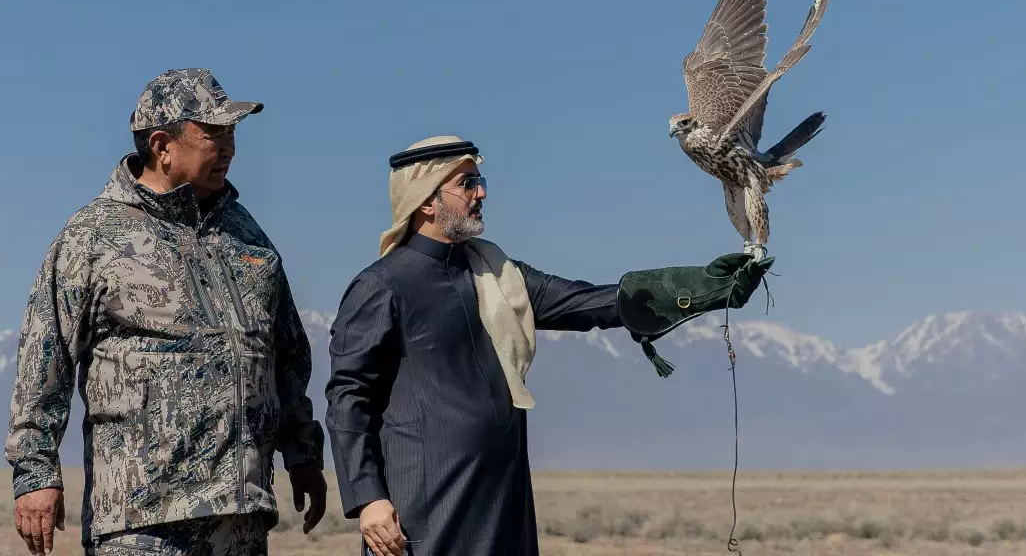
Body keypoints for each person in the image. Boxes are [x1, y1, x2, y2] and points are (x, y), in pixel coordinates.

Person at [324, 135, 770, 556]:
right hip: (424, 502)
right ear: (426, 200)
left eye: (480, 182)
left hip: (503, 495)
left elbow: (593, 301)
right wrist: (368, 498)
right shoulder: (382, 285)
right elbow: (349, 398)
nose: (481, 194)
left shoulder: (499, 274)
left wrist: (706, 288)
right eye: (467, 184)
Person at [5, 68, 327, 556]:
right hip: (142, 521)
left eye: (232, 134)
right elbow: (43, 360)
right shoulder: (93, 237)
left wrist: (303, 451)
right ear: (162, 145)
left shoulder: (248, 236)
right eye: (213, 135)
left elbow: (285, 353)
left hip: (240, 519)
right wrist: (35, 473)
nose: (230, 149)